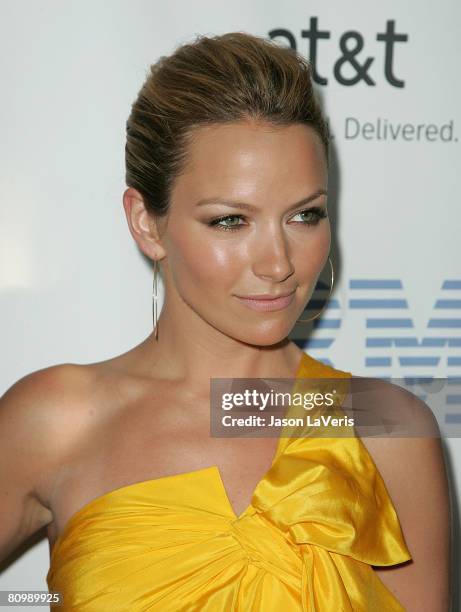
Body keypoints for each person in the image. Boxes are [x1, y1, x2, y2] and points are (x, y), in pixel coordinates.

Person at [0, 31, 451, 611]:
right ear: (146, 223)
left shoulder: (387, 427)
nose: (279, 264)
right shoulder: (57, 420)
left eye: (304, 215)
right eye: (231, 221)